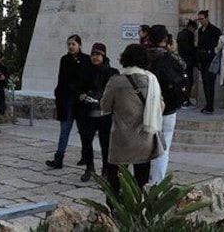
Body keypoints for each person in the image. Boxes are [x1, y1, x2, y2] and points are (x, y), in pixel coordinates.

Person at [100, 43, 164, 194]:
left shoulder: (116, 82)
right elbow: (161, 106)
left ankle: (115, 209)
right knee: (142, 181)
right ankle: (139, 211)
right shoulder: (152, 81)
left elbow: (105, 106)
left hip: (122, 138)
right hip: (145, 137)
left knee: (115, 180)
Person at [146, 24, 185, 184]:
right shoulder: (170, 59)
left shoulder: (144, 57)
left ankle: (144, 177)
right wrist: (173, 50)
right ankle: (157, 181)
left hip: (147, 107)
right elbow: (183, 66)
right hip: (168, 108)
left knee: (146, 145)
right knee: (164, 146)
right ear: (165, 39)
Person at [46, 34, 91, 169]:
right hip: (67, 101)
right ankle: (59, 157)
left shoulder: (86, 60)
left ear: (79, 45)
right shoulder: (64, 60)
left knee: (83, 131)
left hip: (81, 102)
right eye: (69, 44)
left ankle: (85, 156)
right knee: (64, 129)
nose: (71, 47)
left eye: (73, 44)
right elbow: (62, 79)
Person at [76, 43, 118, 182]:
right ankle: (89, 167)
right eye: (93, 54)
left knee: (105, 144)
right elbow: (78, 88)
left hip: (105, 114)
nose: (95, 57)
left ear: (103, 55)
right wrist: (82, 96)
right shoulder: (84, 71)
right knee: (86, 142)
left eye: (98, 54)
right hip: (87, 113)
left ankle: (106, 169)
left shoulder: (112, 73)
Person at [195, 10, 222, 114]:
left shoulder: (214, 30)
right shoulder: (200, 30)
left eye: (202, 19)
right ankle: (208, 104)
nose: (200, 21)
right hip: (203, 60)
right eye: (199, 19)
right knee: (206, 83)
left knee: (210, 83)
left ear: (207, 18)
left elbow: (218, 45)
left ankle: (210, 105)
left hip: (211, 60)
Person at [175, 20, 197, 107]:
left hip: (181, 61)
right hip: (188, 61)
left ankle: (182, 100)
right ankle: (186, 100)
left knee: (183, 81)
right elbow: (190, 49)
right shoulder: (189, 35)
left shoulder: (180, 34)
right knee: (188, 81)